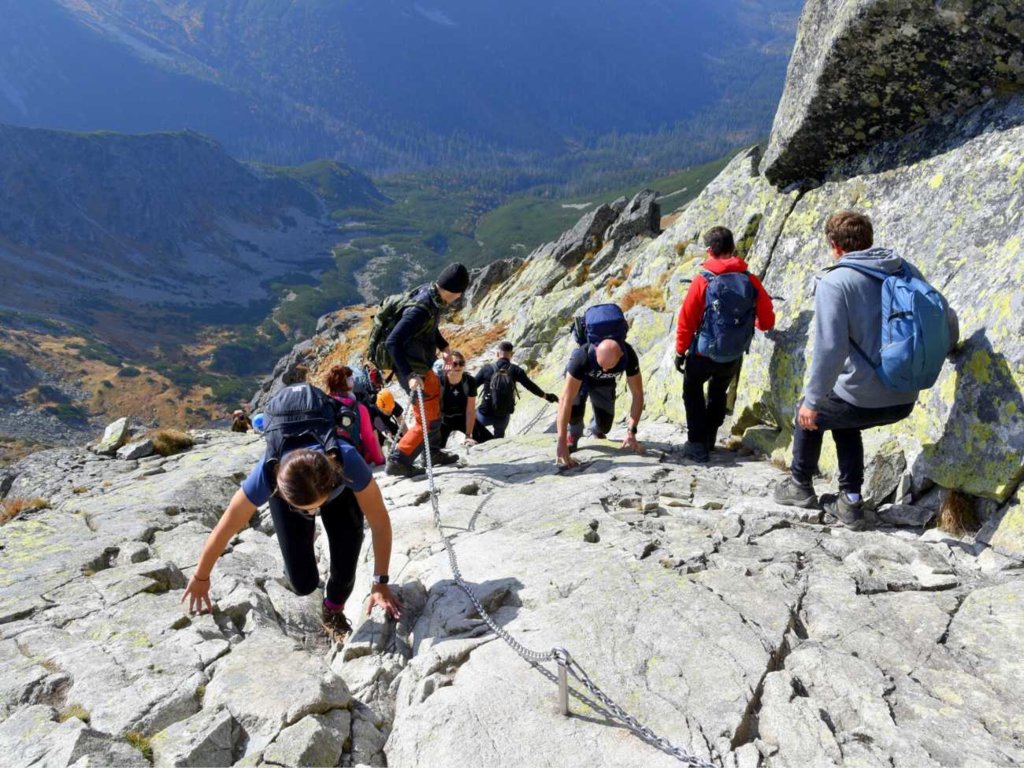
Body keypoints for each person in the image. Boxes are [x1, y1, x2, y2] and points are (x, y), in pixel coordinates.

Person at [773, 211, 958, 530]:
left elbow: (830, 349)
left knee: (809, 413)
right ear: (869, 240)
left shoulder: (834, 282)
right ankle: (851, 501)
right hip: (904, 396)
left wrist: (811, 402)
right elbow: (943, 315)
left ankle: (800, 486)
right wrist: (950, 347)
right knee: (841, 412)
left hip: (861, 400)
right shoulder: (903, 268)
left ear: (834, 246)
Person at [181, 388, 402, 643]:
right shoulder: (267, 474)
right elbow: (227, 524)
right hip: (296, 489)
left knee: (345, 565)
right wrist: (200, 577)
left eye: (315, 506)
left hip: (338, 493)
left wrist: (381, 582)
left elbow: (379, 522)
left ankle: (333, 611)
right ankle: (301, 562)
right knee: (302, 583)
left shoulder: (347, 460)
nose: (311, 512)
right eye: (304, 509)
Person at [674, 226, 775, 462]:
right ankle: (709, 436)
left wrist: (680, 351)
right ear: (733, 248)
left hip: (703, 352)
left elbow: (686, 320)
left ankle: (697, 444)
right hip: (733, 352)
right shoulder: (749, 279)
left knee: (692, 392)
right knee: (718, 392)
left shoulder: (703, 280)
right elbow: (767, 318)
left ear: (710, 250)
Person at [384, 263, 469, 477]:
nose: (458, 299)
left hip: (422, 367)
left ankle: (432, 451)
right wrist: (410, 375)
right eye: (459, 295)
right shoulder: (421, 308)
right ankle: (398, 460)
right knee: (427, 419)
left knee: (434, 406)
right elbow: (392, 342)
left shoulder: (431, 296)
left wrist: (445, 348)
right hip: (412, 370)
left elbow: (429, 328)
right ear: (455, 292)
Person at [555, 338, 644, 469]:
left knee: (604, 426)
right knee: (574, 410)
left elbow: (637, 394)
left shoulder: (628, 355)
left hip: (604, 382)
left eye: (608, 367)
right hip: (581, 378)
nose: (604, 369)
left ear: (620, 355)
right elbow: (564, 400)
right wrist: (561, 441)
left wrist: (631, 431)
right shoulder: (581, 357)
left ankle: (596, 429)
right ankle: (574, 433)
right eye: (601, 365)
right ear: (596, 351)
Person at [474, 341, 558, 439]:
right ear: (511, 355)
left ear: (497, 354)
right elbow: (531, 386)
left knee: (473, 424)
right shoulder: (516, 370)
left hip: (485, 413)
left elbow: (472, 385)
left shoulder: (486, 369)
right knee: (499, 436)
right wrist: (546, 396)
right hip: (503, 414)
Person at [325, 364, 386, 466]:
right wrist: (380, 460)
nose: (353, 380)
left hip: (332, 461)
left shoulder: (325, 404)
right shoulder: (359, 408)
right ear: (346, 382)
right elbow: (369, 438)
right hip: (354, 458)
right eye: (351, 378)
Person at [439, 350, 492, 447]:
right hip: (443, 419)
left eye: (461, 363)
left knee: (490, 442)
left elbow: (470, 411)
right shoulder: (439, 381)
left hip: (462, 418)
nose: (458, 366)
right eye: (454, 364)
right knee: (432, 451)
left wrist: (468, 435)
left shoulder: (470, 381)